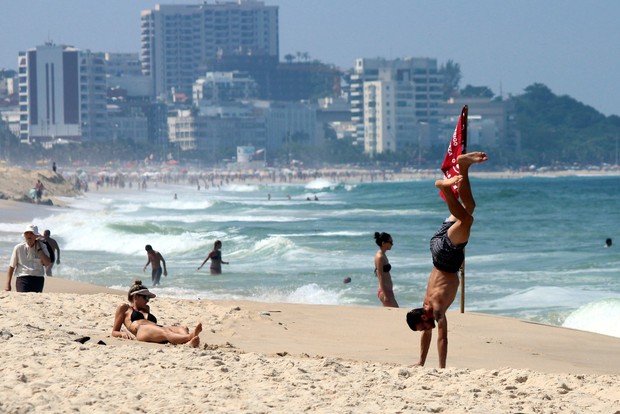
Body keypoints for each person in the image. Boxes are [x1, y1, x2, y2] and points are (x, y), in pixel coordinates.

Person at [406, 152, 488, 368]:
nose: (426, 331)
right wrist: (421, 362)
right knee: (468, 209)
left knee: (467, 220)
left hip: (447, 256)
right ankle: (463, 166)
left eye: (423, 327)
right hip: (436, 247)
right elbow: (428, 335)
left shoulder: (437, 309)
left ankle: (444, 188)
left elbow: (442, 338)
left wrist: (441, 368)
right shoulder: (425, 304)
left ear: (424, 318)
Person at [111, 280, 202, 347]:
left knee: (182, 328)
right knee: (166, 332)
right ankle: (189, 337)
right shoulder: (124, 308)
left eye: (148, 298)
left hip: (156, 327)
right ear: (136, 297)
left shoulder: (146, 308)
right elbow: (114, 331)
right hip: (141, 330)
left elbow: (151, 324)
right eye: (145, 298)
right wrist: (122, 333)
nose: (147, 301)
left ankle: (187, 343)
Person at [5, 225, 51, 292]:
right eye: (27, 233)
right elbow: (11, 267)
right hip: (22, 278)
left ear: (36, 236)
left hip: (38, 279)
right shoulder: (18, 248)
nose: (29, 235)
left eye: (31, 233)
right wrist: (7, 284)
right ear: (24, 235)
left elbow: (47, 263)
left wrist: (39, 249)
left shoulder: (43, 246)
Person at [374, 231, 398, 307]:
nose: (392, 244)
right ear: (383, 243)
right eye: (390, 242)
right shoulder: (380, 257)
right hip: (385, 292)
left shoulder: (383, 255)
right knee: (397, 312)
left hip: (388, 291)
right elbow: (380, 276)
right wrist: (386, 295)